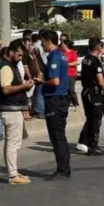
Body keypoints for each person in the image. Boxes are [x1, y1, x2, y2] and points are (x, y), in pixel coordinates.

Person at [0, 41, 34, 185]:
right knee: (13, 144)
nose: (20, 58)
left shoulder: (11, 65)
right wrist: (23, 85)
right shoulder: (6, 67)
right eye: (18, 55)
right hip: (10, 111)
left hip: (14, 109)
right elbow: (6, 89)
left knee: (12, 143)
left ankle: (14, 172)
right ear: (11, 52)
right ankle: (13, 176)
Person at [36, 30, 71, 180]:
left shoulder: (56, 56)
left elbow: (54, 81)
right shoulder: (58, 55)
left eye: (42, 41)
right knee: (59, 136)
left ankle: (63, 170)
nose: (41, 44)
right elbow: (48, 71)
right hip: (60, 100)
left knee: (57, 137)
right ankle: (64, 168)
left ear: (48, 41)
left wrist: (41, 82)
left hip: (55, 101)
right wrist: (37, 57)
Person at [77, 37, 104, 156]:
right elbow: (100, 81)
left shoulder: (85, 59)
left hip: (85, 92)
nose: (102, 48)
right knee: (96, 119)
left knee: (90, 118)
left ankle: (83, 142)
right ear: (97, 47)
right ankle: (93, 145)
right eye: (101, 46)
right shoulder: (96, 61)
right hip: (93, 93)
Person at [31, 32, 47, 119]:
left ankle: (40, 111)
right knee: (38, 92)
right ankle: (38, 109)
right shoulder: (41, 47)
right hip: (43, 71)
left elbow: (36, 60)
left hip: (40, 72)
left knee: (39, 93)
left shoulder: (35, 48)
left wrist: (39, 72)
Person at [61, 37, 80, 108]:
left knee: (71, 89)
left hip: (71, 74)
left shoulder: (72, 52)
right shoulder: (61, 53)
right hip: (63, 74)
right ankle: (67, 103)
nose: (61, 45)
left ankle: (76, 103)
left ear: (66, 45)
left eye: (62, 44)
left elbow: (76, 62)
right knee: (65, 89)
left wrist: (67, 64)